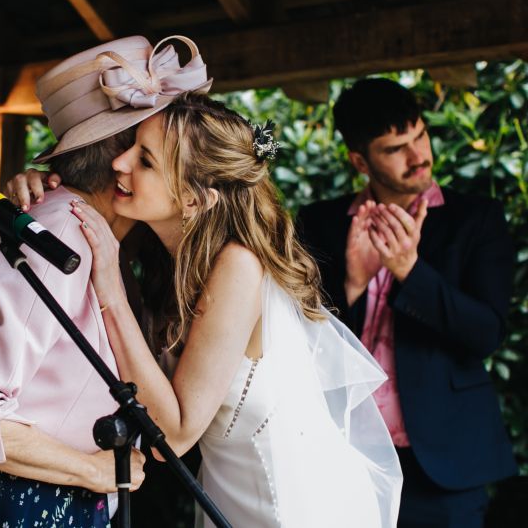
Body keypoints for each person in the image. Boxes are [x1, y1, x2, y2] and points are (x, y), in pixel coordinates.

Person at [0, 35, 211, 527]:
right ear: (119, 158)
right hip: (12, 506)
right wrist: (92, 471)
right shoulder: (59, 234)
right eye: (152, 148)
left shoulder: (112, 240)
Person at [68, 92, 403, 528]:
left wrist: (110, 287)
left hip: (289, 510)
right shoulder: (170, 256)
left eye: (145, 161)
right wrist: (44, 188)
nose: (119, 162)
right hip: (234, 503)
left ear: (194, 200)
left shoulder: (238, 266)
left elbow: (173, 436)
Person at [296, 78, 518, 528]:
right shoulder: (320, 223)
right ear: (360, 161)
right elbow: (301, 342)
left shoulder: (476, 219)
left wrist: (410, 272)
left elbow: (487, 333)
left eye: (420, 136)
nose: (418, 156)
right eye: (396, 148)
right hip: (345, 455)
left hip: (443, 462)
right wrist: (353, 285)